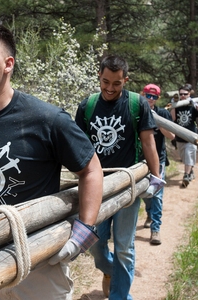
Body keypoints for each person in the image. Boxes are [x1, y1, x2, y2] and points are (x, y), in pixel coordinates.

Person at [0, 15, 104, 300]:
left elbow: (90, 170)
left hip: (37, 261)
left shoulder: (47, 119)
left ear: (8, 64)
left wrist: (84, 233)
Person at [75, 55, 164, 299]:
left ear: (125, 80)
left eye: (117, 83)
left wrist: (156, 177)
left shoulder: (137, 104)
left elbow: (148, 142)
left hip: (128, 185)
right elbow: (79, 146)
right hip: (97, 186)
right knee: (93, 243)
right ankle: (110, 271)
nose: (110, 89)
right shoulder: (88, 105)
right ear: (99, 77)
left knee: (124, 247)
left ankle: (120, 295)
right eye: (105, 82)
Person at [141, 84, 175, 245]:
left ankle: (155, 230)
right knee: (144, 194)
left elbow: (172, 135)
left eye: (154, 97)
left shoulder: (162, 113)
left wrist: (159, 122)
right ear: (143, 94)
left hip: (158, 159)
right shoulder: (138, 111)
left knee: (157, 196)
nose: (150, 99)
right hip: (140, 161)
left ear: (158, 98)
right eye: (148, 95)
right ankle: (149, 212)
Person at [170, 84, 198, 187]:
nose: (182, 96)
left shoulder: (192, 105)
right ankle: (190, 172)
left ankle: (186, 176)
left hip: (191, 136)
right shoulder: (177, 105)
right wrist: (173, 105)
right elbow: (172, 119)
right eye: (180, 94)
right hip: (180, 137)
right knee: (184, 156)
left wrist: (195, 105)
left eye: (185, 94)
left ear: (189, 94)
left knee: (189, 155)